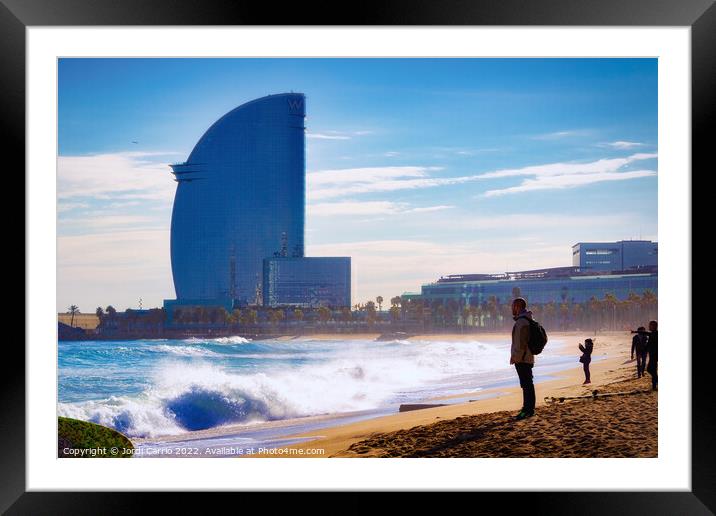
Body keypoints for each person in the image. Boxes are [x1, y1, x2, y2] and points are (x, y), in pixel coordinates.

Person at [510, 297, 535, 420]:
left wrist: (515, 358)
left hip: (523, 359)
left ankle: (527, 410)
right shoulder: (526, 320)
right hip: (526, 357)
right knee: (528, 384)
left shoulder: (522, 322)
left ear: (518, 307)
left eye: (513, 306)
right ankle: (529, 409)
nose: (512, 308)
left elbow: (521, 344)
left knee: (526, 385)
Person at [632, 320, 658, 390]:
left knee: (650, 369)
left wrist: (635, 331)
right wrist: (645, 350)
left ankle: (656, 382)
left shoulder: (655, 334)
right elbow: (648, 343)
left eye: (650, 325)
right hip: (652, 354)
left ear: (654, 326)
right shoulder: (653, 333)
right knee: (652, 370)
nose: (649, 326)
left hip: (655, 355)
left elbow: (645, 333)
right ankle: (654, 385)